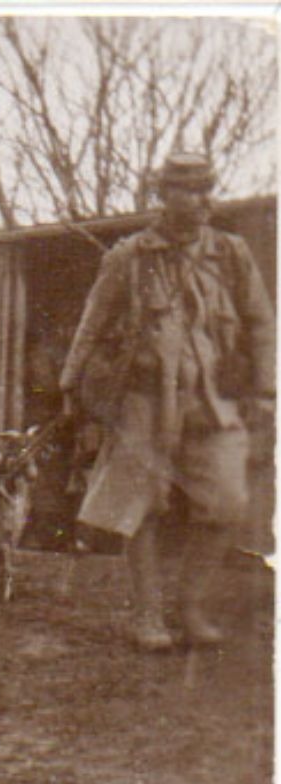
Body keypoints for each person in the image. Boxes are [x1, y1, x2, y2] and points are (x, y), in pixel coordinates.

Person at [60, 151, 275, 651]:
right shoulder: (129, 257)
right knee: (144, 506)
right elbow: (92, 323)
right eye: (189, 190)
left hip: (211, 398)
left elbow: (263, 324)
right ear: (164, 195)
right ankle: (148, 615)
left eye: (207, 189)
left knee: (228, 503)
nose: (202, 200)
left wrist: (265, 391)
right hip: (144, 399)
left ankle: (190, 605)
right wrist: (72, 388)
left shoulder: (230, 253)